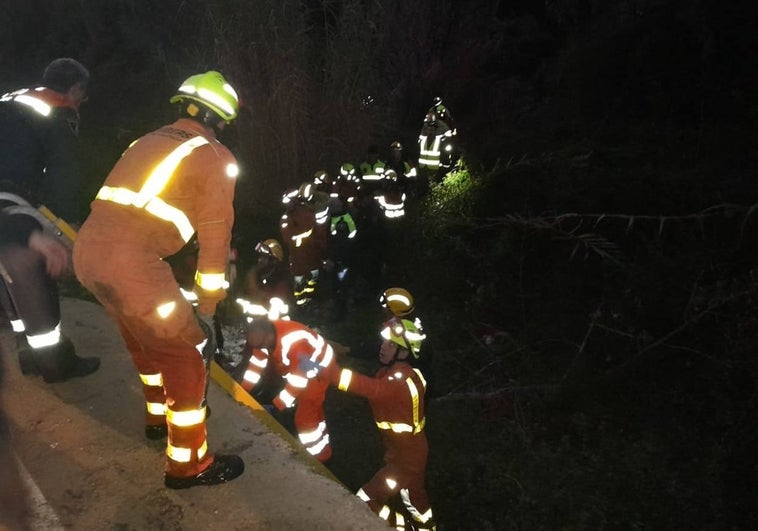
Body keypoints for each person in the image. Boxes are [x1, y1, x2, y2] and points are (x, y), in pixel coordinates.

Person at [72, 70, 245, 489]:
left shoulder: (147, 140)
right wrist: (206, 308)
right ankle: (189, 466)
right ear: (220, 120)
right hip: (131, 264)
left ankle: (156, 418)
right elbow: (215, 239)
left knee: (142, 335)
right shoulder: (216, 157)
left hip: (88, 252)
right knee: (187, 352)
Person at [0, 57, 100, 383]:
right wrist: (66, 226)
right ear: (74, 90)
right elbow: (65, 180)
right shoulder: (57, 114)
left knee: (6, 263)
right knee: (34, 259)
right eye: (82, 97)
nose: (80, 104)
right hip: (8, 195)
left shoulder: (13, 100)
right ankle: (55, 363)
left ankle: (27, 351)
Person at [331, 317, 436, 530]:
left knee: (364, 500)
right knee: (417, 502)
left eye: (390, 345)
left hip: (406, 460)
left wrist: (329, 372)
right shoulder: (398, 374)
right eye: (384, 342)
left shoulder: (399, 380)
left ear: (404, 353)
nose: (383, 348)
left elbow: (371, 389)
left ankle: (404, 528)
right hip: (403, 453)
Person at [243, 318, 339, 462]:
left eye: (260, 345)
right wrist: (243, 389)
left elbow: (299, 380)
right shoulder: (263, 338)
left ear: (268, 337)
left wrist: (278, 405)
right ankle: (321, 432)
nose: (259, 348)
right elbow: (257, 364)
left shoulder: (295, 343)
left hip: (318, 371)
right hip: (302, 367)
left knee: (304, 419)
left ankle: (322, 458)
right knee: (312, 410)